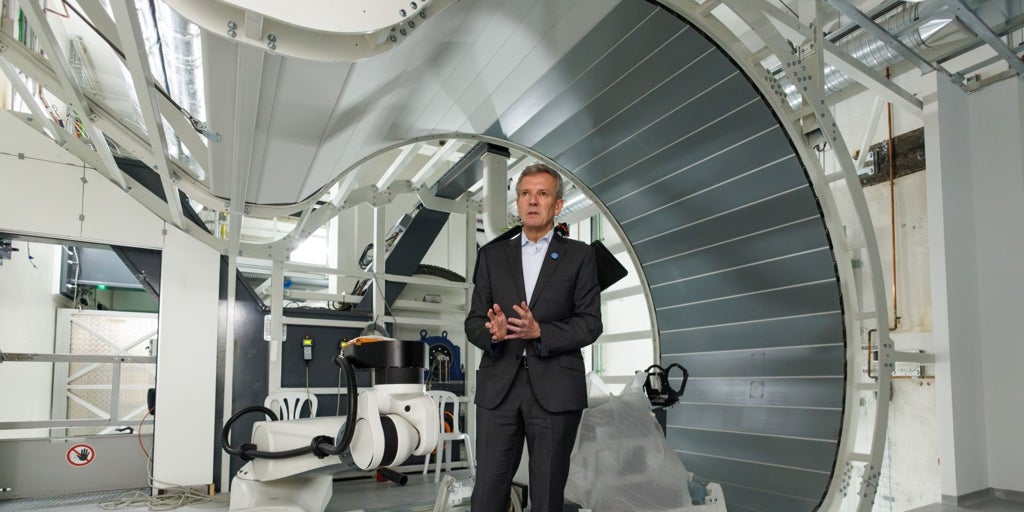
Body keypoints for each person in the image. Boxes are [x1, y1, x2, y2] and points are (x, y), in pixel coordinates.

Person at [465, 163, 603, 511]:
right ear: (517, 202)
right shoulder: (492, 256)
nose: (532, 201)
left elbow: (590, 323)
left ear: (558, 205)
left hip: (556, 390)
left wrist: (541, 331)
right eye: (525, 193)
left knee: (547, 495)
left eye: (542, 194)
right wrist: (492, 333)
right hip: (500, 389)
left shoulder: (580, 256)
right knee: (487, 493)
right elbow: (473, 322)